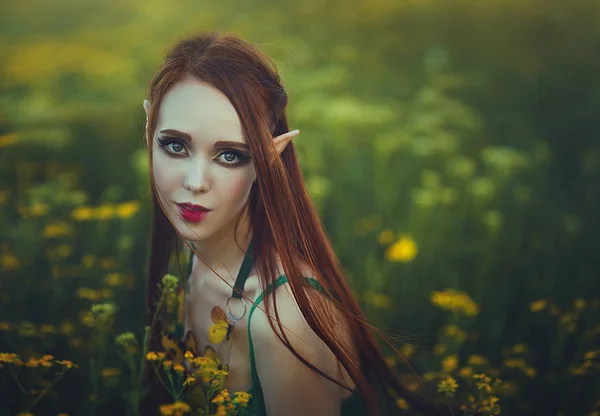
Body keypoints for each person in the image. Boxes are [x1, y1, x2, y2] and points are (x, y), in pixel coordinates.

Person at [141, 31, 450, 416]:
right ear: (148, 128)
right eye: (175, 145)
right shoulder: (193, 264)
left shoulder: (284, 323)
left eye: (230, 155)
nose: (195, 181)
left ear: (272, 157)